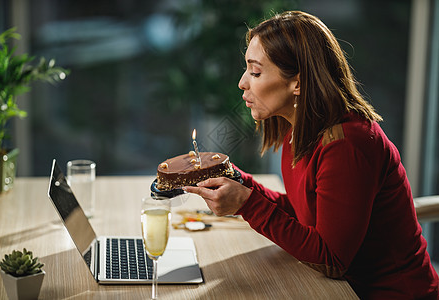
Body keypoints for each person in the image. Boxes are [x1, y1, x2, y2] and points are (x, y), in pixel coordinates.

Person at [183, 11, 439, 299]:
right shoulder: (300, 129)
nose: (243, 82)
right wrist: (237, 180)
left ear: (299, 83)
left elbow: (331, 260)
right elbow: (304, 212)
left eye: (255, 72)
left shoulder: (347, 145)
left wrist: (248, 204)